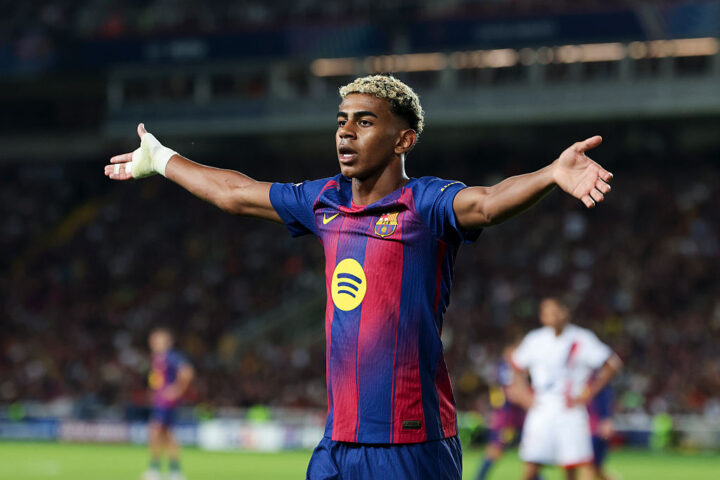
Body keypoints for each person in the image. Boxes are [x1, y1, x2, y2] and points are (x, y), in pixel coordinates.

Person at [105, 74, 613, 480]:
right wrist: (162, 159)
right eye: (342, 121)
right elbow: (234, 193)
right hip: (338, 443)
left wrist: (551, 173)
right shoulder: (323, 200)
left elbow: (487, 202)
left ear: (403, 139)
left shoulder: (424, 203)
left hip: (411, 443)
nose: (346, 131)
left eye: (365, 122)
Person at [510, 297, 622, 480]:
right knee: (531, 465)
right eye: (546, 312)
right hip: (541, 407)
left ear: (565, 312)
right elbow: (516, 365)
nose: (551, 316)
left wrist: (588, 394)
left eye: (555, 311)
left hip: (569, 409)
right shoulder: (535, 339)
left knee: (575, 466)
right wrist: (523, 394)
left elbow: (612, 364)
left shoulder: (581, 338)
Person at [143, 327, 194, 480]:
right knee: (168, 434)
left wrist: (177, 389)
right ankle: (175, 471)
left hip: (166, 402)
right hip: (161, 400)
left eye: (156, 340)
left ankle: (154, 469)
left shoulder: (171, 357)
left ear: (166, 342)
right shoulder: (157, 357)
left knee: (155, 432)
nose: (152, 342)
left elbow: (187, 372)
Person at [474, 342, 528, 480]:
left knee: (530, 451)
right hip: (507, 415)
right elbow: (511, 393)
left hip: (517, 414)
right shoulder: (505, 368)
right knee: (496, 448)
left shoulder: (510, 368)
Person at [588, 384, 616, 480]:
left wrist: (606, 418)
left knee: (589, 467)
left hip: (595, 428)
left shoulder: (599, 383)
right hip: (586, 427)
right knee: (596, 469)